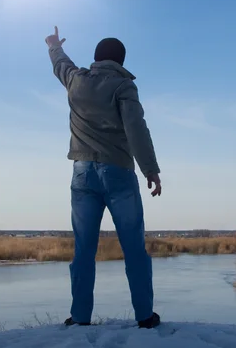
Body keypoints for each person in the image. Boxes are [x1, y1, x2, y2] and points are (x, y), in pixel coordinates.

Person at [45, 27, 161, 329]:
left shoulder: (77, 80)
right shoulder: (123, 86)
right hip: (118, 174)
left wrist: (54, 45)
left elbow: (61, 64)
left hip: (82, 174)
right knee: (133, 247)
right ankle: (145, 316)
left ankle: (80, 317)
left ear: (96, 58)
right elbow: (137, 129)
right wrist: (150, 169)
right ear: (121, 61)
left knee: (84, 248)